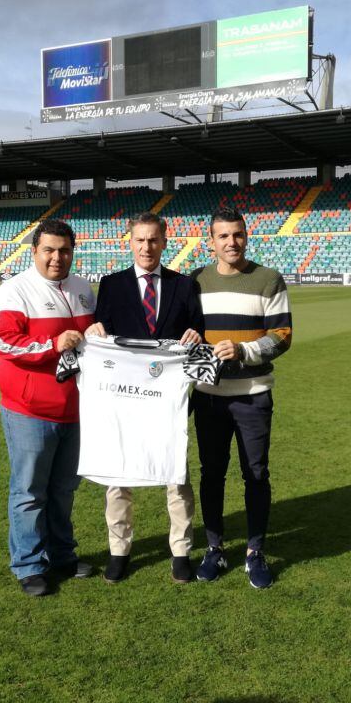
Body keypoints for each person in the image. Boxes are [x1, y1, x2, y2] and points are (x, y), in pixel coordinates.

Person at [85, 212, 205, 584]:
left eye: (153, 240)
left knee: (175, 472)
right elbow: (101, 332)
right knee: (118, 475)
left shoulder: (184, 285)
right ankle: (119, 549)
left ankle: (180, 549)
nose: (146, 247)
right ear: (130, 242)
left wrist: (195, 336)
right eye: (140, 240)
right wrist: (94, 329)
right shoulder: (111, 284)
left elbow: (197, 331)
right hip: (123, 399)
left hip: (167, 399)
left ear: (164, 242)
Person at [0, 219, 96, 597]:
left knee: (64, 489)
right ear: (33, 251)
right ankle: (30, 564)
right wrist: (53, 345)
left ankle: (62, 554)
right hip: (29, 410)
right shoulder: (14, 291)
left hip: (76, 409)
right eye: (48, 249)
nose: (56, 257)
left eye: (64, 250)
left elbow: (93, 342)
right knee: (30, 491)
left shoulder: (83, 289)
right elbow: (1, 341)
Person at [191, 206, 292, 589]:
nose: (231, 242)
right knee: (211, 474)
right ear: (212, 241)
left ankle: (255, 551)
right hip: (208, 396)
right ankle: (214, 548)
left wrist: (245, 351)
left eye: (237, 234)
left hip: (252, 396)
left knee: (256, 474)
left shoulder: (268, 279)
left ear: (246, 236)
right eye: (223, 236)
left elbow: (282, 335)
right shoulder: (195, 280)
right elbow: (185, 333)